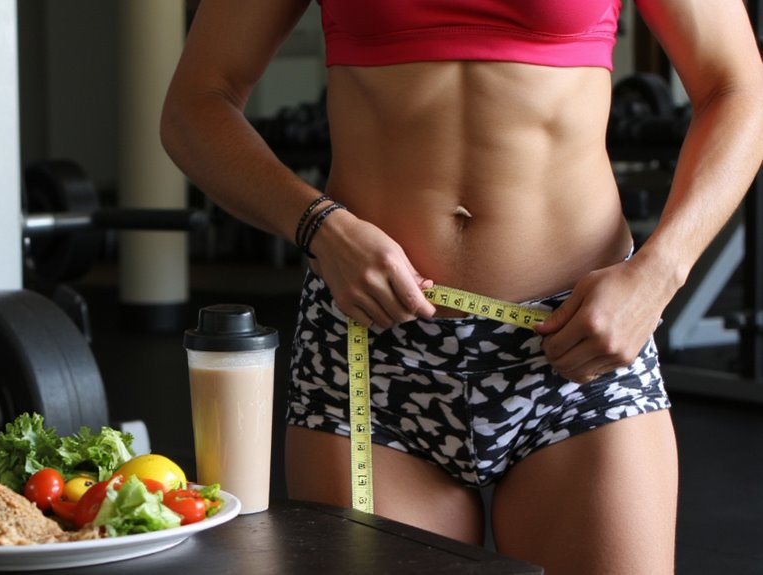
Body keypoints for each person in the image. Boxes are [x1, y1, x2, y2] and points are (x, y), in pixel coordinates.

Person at [161, 1, 763, 572]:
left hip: (580, 343)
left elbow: (739, 87)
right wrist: (320, 225)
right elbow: (195, 105)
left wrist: (659, 275)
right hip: (373, 345)